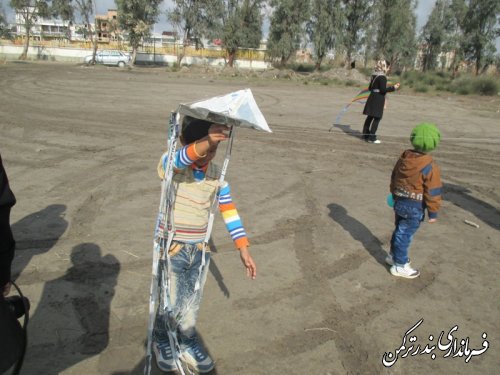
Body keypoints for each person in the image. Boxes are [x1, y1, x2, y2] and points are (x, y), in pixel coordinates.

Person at [153, 116, 257, 373]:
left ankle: (186, 341)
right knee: (169, 301)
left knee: (190, 303)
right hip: (172, 248)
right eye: (203, 146)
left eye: (214, 148)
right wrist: (206, 140)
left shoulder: (217, 176)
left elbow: (229, 211)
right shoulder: (171, 164)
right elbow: (180, 159)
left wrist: (243, 247)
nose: (208, 153)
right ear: (183, 141)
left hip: (199, 250)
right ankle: (162, 340)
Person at [386, 123, 442, 279]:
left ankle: (393, 256)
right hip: (413, 207)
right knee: (404, 235)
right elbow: (433, 191)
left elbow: (394, 177)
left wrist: (394, 194)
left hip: (400, 202)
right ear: (433, 144)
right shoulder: (430, 166)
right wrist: (433, 212)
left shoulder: (404, 158)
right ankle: (400, 265)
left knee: (399, 231)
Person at [362, 60, 400, 144]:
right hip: (378, 99)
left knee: (370, 116)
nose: (389, 68)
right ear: (385, 66)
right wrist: (394, 88)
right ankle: (372, 137)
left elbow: (370, 88)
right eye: (388, 67)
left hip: (372, 97)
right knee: (377, 117)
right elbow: (383, 90)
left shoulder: (374, 75)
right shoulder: (382, 77)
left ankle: (365, 135)